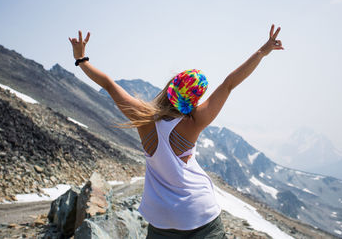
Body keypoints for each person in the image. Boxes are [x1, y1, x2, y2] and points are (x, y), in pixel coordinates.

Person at [69, 24, 283, 238]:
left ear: (170, 87)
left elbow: (108, 84)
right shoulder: (195, 121)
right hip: (200, 213)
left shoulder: (143, 118)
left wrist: (81, 59)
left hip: (162, 220)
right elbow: (229, 84)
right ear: (194, 99)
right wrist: (262, 52)